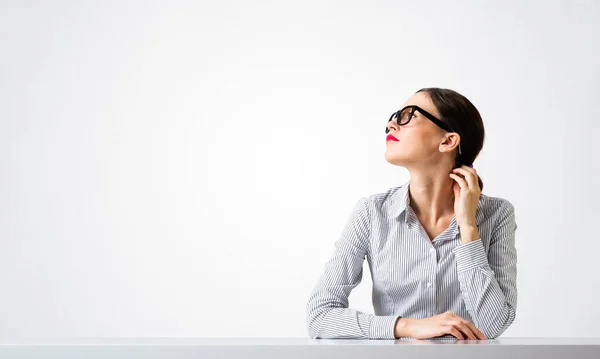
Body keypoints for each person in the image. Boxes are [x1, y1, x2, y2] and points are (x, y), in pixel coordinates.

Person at [305, 87, 517, 340]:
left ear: (448, 141)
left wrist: (468, 227)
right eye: (395, 116)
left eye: (408, 116)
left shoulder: (497, 214)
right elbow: (320, 316)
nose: (391, 124)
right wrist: (407, 326)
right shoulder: (371, 213)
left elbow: (493, 325)